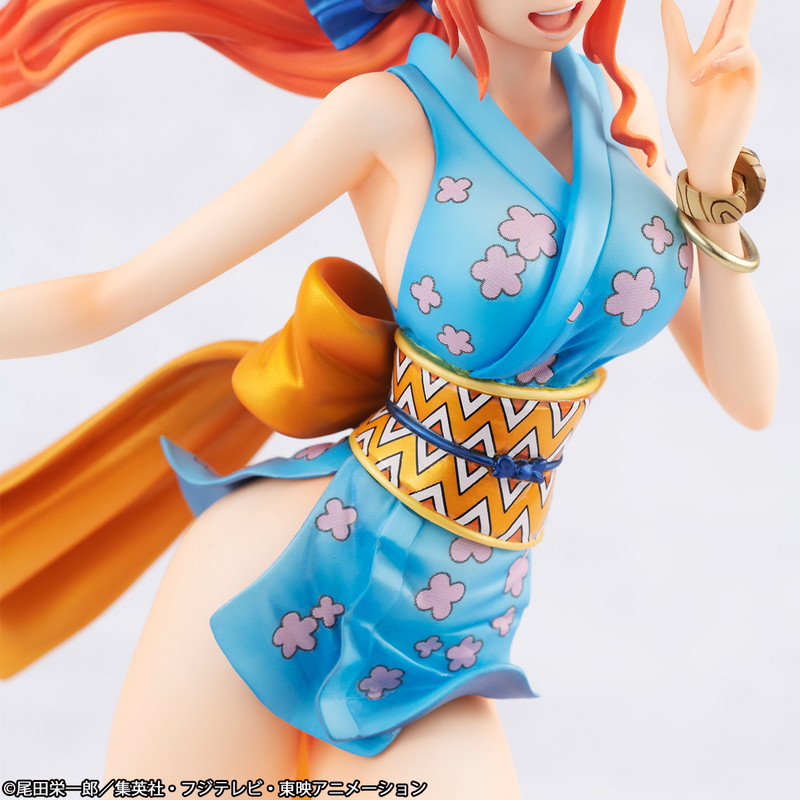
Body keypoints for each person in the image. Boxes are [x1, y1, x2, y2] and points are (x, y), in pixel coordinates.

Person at [0, 0, 779, 796]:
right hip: (285, 570)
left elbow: (750, 396)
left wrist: (712, 177)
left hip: (453, 622)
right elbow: (109, 297)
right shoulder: (388, 114)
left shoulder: (621, 112)